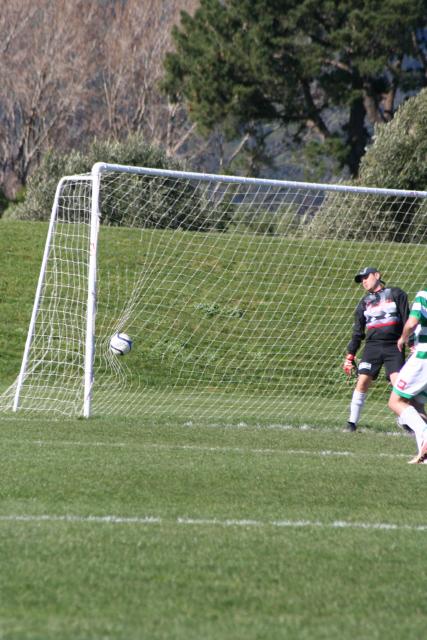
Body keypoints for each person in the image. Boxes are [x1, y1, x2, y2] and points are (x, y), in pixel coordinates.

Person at [343, 267, 410, 431]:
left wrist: (411, 343)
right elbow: (358, 333)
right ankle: (351, 423)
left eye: (366, 277)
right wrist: (350, 356)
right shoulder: (363, 303)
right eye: (361, 280)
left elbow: (408, 320)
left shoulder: (396, 294)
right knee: (362, 382)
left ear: (377, 276)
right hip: (372, 348)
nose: (364, 281)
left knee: (398, 385)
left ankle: (405, 421)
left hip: (394, 347)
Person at [388, 289, 427, 463]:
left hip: (423, 357)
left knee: (396, 401)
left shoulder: (424, 295)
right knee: (417, 405)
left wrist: (404, 338)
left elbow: (411, 323)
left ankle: (426, 435)